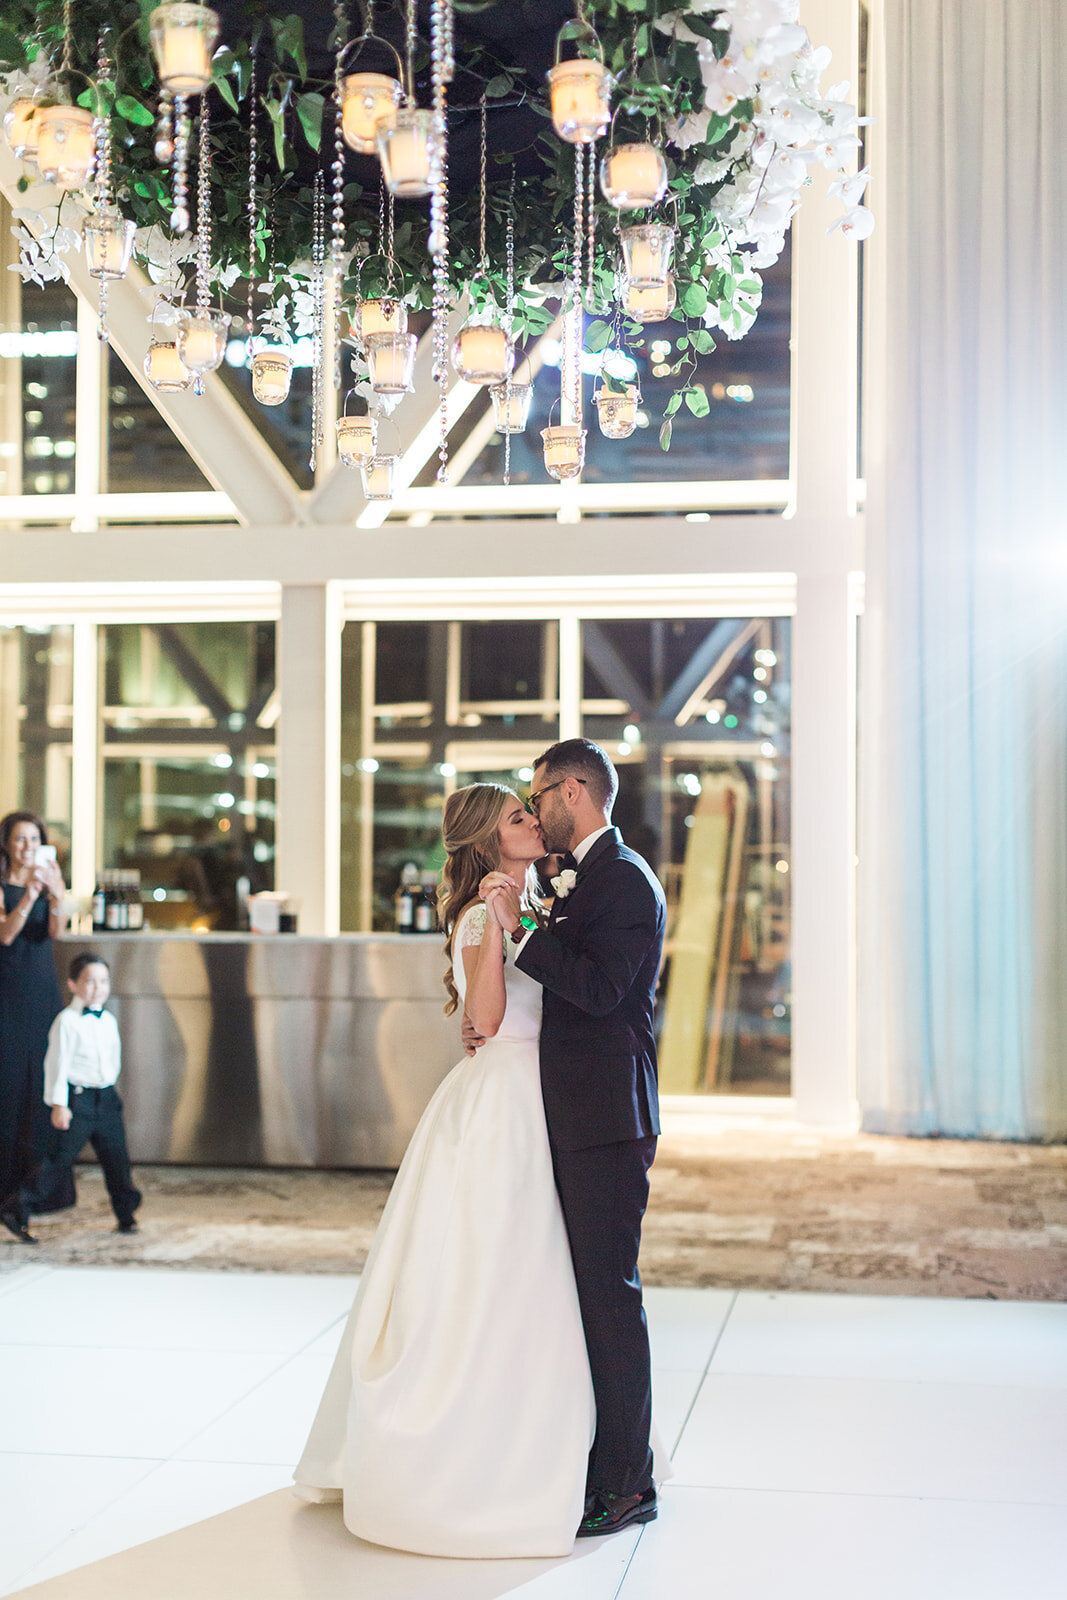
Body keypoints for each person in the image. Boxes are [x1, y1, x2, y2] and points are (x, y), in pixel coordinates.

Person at [293, 783, 595, 1558]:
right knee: (490, 1263)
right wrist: (498, 932)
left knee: (538, 1267)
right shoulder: (476, 915)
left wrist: (522, 920)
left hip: (541, 1091)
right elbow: (488, 1021)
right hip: (500, 1100)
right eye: (518, 818)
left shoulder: (538, 897)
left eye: (529, 813)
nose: (533, 822)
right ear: (486, 842)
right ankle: (462, 1454)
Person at [479, 738, 666, 1540]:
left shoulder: (625, 880)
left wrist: (520, 927)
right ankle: (589, 1458)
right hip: (575, 1113)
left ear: (574, 792)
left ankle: (629, 1482)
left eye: (538, 794)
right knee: (577, 1296)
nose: (535, 806)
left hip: (606, 1120)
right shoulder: (591, 876)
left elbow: (595, 990)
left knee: (608, 1299)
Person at [1, 952, 141, 1244]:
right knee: (57, 1161)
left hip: (106, 1098)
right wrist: (59, 1104)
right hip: (78, 1101)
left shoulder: (108, 1020)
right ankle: (16, 1209)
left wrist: (110, 1091)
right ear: (73, 984)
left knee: (117, 1159)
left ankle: (126, 1214)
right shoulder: (67, 1021)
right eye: (89, 981)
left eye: (103, 981)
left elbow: (112, 1059)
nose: (97, 987)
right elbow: (56, 1065)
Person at [0, 810, 71, 1212]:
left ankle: (39, 1191)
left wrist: (56, 895)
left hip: (42, 988)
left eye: (34, 839)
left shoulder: (48, 881)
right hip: (8, 990)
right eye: (20, 839)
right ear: (7, 844)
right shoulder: (5, 885)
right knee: (9, 1083)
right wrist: (28, 895)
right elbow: (6, 935)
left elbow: (57, 933)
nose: (27, 847)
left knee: (45, 1081)